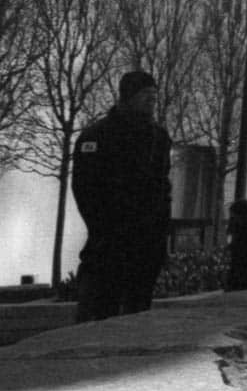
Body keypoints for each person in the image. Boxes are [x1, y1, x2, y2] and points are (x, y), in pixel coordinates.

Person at [71, 70, 172, 321]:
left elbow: (162, 188)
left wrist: (158, 234)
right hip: (108, 246)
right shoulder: (97, 136)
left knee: (136, 315)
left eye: (154, 95)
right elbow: (85, 190)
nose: (152, 100)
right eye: (146, 94)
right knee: (100, 313)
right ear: (129, 96)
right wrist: (105, 231)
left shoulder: (158, 138)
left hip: (144, 247)